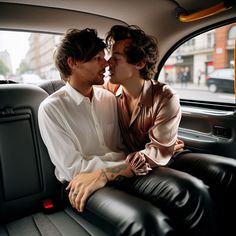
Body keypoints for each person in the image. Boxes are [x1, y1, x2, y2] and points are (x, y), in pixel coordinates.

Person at [38, 28, 216, 236]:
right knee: (148, 222)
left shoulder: (108, 98)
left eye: (109, 58)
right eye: (98, 58)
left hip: (122, 173)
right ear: (73, 63)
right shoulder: (52, 109)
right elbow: (74, 169)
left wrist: (161, 148)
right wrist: (123, 164)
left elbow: (124, 147)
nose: (105, 64)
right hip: (82, 184)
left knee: (192, 192)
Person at [105, 24, 236, 236]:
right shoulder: (108, 92)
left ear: (139, 63)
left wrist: (133, 161)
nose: (108, 63)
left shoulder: (165, 96)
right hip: (139, 162)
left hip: (166, 154)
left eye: (116, 57)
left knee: (229, 171)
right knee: (193, 191)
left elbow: (159, 151)